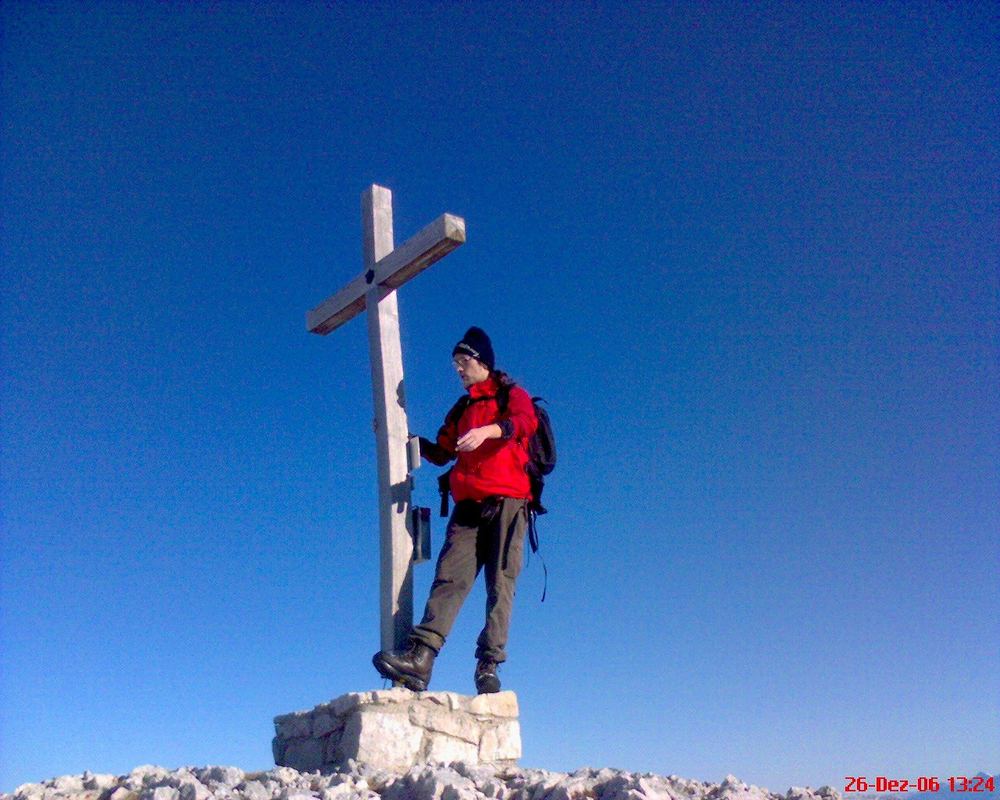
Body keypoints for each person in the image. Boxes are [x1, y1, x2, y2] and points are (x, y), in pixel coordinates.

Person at [373, 326, 538, 694]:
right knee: (449, 579)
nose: (459, 370)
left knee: (501, 583)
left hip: (509, 501)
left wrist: (491, 431)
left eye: (464, 362)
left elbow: (525, 423)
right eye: (455, 364)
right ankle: (421, 660)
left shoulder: (511, 395)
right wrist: (401, 436)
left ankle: (488, 664)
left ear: (483, 362)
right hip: (468, 505)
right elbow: (443, 451)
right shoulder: (462, 408)